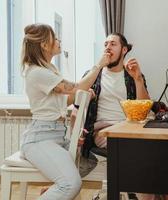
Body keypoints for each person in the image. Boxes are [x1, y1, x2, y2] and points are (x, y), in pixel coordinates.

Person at [19, 23, 109, 200]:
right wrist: (98, 66)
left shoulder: (49, 70)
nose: (59, 40)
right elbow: (75, 89)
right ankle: (59, 188)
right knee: (71, 183)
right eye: (55, 37)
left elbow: (66, 99)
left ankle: (54, 190)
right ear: (44, 45)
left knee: (89, 160)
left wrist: (84, 96)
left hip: (56, 135)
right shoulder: (37, 72)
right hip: (40, 138)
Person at [77, 32, 150, 158]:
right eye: (105, 44)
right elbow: (76, 97)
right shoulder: (93, 75)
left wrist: (138, 79)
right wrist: (98, 66)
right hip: (103, 131)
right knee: (129, 147)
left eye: (113, 44)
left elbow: (144, 111)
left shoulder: (132, 75)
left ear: (124, 50)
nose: (108, 47)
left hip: (128, 129)